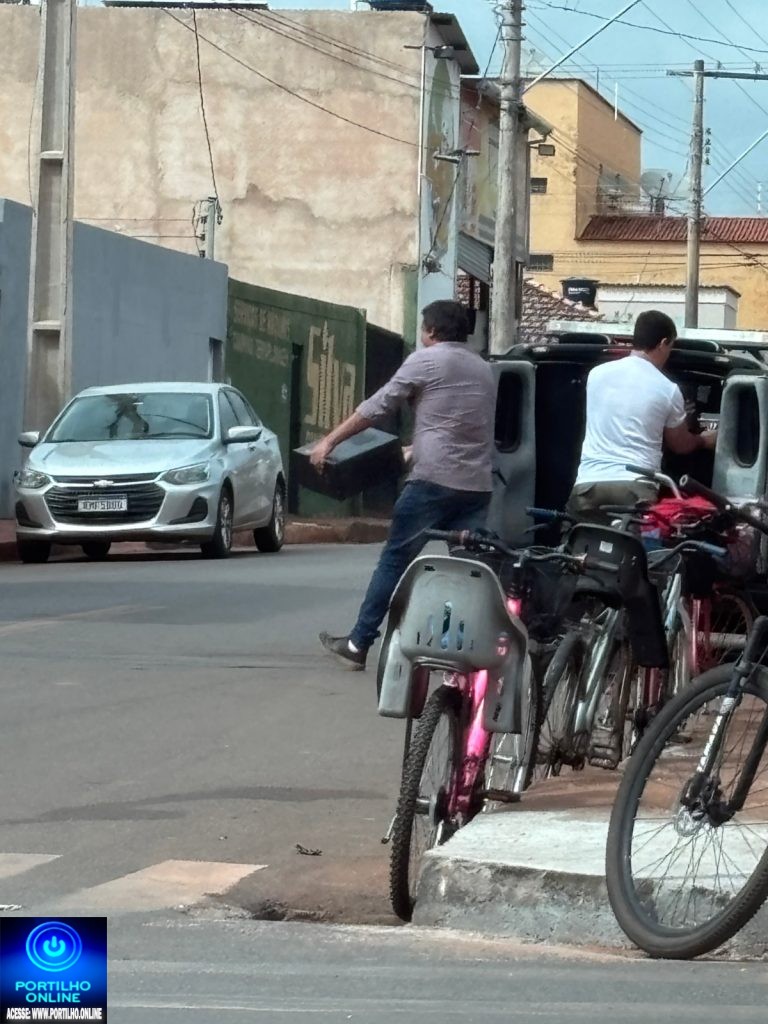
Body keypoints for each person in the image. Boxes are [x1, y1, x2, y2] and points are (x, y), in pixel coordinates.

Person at [311, 299, 496, 670]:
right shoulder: (483, 369)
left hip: (432, 482)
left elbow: (378, 406)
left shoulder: (425, 360)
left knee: (395, 560)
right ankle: (459, 649)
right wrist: (416, 446)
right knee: (468, 570)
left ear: (431, 331)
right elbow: (456, 421)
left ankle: (358, 642)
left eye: (423, 328)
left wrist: (329, 442)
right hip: (476, 487)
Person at [567, 310, 716, 525]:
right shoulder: (667, 389)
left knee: (579, 541)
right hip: (635, 487)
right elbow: (681, 445)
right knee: (637, 545)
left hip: (588, 485)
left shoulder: (596, 374)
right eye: (671, 347)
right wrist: (704, 439)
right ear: (663, 343)